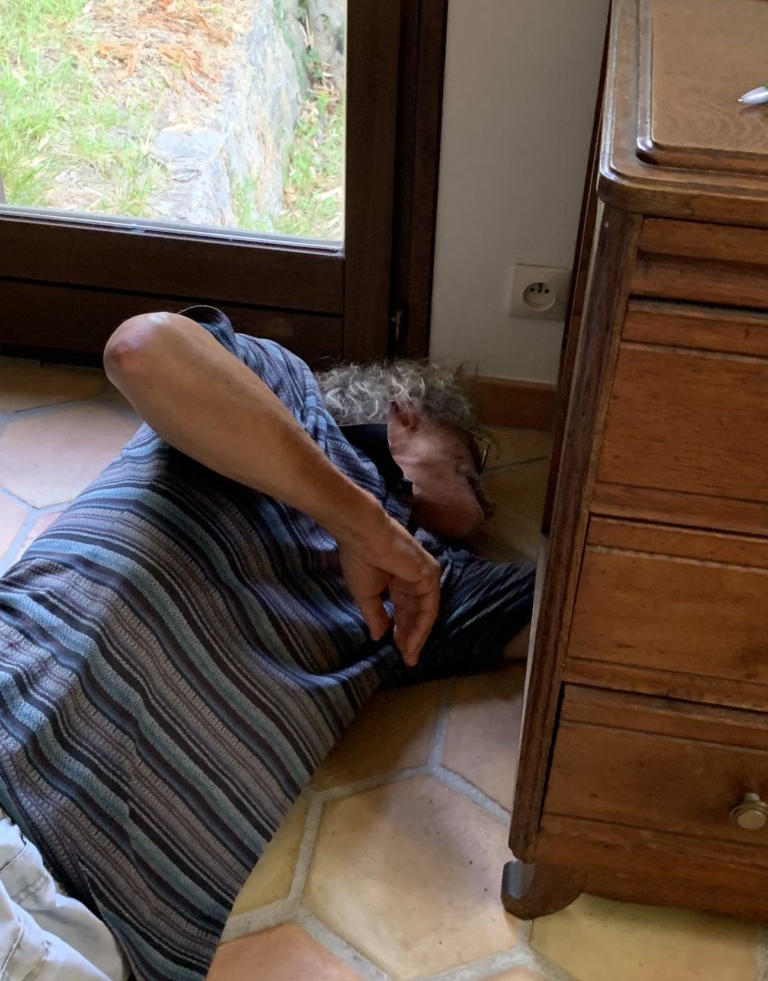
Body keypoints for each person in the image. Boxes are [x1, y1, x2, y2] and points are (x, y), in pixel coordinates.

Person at [0, 307, 535, 981]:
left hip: (90, 935)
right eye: (469, 467)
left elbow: (595, 627)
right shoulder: (276, 389)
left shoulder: (431, 586)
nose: (484, 505)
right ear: (405, 414)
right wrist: (362, 524)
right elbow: (141, 350)